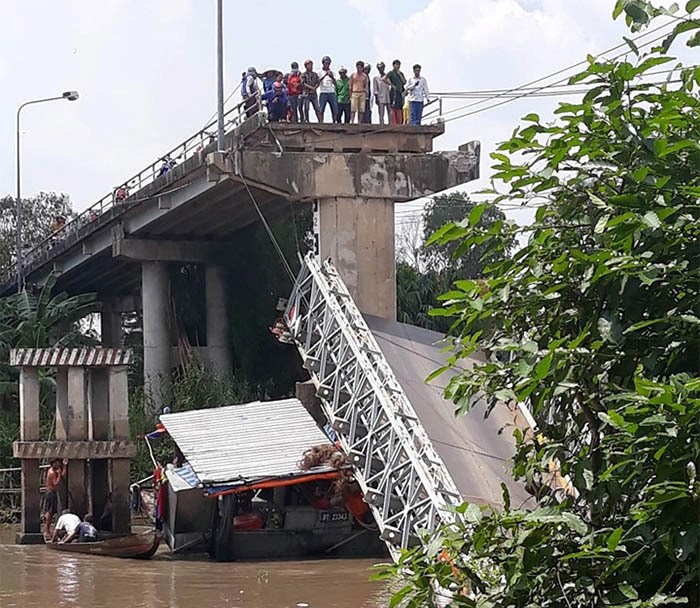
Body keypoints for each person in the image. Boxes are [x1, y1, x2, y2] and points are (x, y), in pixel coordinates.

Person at [43, 458, 67, 538]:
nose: (58, 464)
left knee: (53, 511)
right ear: (53, 463)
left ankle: (49, 530)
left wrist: (64, 466)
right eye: (57, 463)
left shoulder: (56, 470)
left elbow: (64, 476)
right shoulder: (52, 472)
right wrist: (59, 474)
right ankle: (47, 531)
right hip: (51, 493)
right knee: (50, 512)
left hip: (54, 492)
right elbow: (56, 483)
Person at [385, 59, 406, 125]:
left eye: (398, 65)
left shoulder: (400, 73)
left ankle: (399, 122)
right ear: (393, 65)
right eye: (396, 65)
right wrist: (391, 85)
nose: (397, 66)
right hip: (394, 92)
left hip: (400, 92)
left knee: (399, 107)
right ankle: (394, 122)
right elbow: (384, 79)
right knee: (393, 107)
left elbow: (404, 82)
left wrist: (399, 74)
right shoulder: (391, 73)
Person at [318, 55, 338, 124]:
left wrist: (331, 76)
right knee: (321, 109)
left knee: (334, 109)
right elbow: (318, 82)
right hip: (323, 92)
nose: (327, 64)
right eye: (326, 63)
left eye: (328, 63)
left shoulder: (332, 72)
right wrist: (325, 75)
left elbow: (335, 83)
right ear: (323, 63)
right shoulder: (319, 72)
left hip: (331, 92)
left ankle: (334, 122)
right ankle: (321, 122)